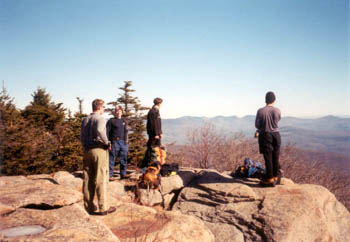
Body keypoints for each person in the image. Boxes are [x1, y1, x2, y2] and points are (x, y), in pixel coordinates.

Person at [80, 99, 116, 215]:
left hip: (87, 150)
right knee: (101, 177)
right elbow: (100, 130)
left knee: (87, 178)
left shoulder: (85, 120)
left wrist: (85, 146)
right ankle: (103, 207)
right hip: (99, 150)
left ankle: (89, 207)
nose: (104, 109)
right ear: (100, 107)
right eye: (103, 107)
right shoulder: (100, 118)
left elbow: (82, 135)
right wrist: (107, 142)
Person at [255, 91, 282, 187]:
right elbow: (278, 120)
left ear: (265, 100)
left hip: (265, 135)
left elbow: (257, 125)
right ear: (274, 100)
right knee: (276, 155)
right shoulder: (277, 110)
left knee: (268, 157)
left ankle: (269, 178)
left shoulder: (260, 111)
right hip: (276, 134)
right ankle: (276, 177)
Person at [107, 105, 130, 180]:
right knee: (111, 158)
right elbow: (107, 132)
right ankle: (110, 175)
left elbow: (126, 131)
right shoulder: (111, 121)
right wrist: (108, 142)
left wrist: (126, 142)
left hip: (123, 142)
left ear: (122, 112)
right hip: (114, 142)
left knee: (124, 158)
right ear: (114, 112)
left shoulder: (124, 120)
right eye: (116, 111)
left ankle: (123, 174)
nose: (118, 112)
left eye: (119, 111)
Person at [142, 97, 163, 168]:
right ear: (159, 103)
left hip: (157, 134)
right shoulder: (152, 112)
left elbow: (158, 123)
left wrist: (160, 132)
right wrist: (155, 134)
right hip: (153, 135)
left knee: (157, 149)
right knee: (151, 149)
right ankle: (146, 165)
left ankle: (155, 165)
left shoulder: (157, 111)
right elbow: (152, 124)